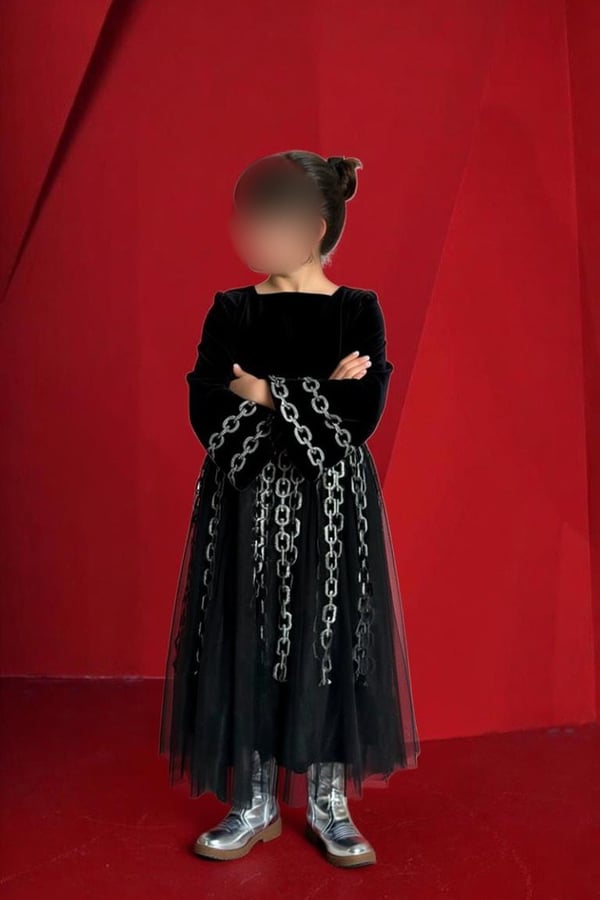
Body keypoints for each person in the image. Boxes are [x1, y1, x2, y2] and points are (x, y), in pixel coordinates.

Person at [158, 150, 421, 868]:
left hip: (331, 510)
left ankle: (330, 803)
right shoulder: (232, 309)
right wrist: (310, 392)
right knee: (246, 632)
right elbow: (206, 405)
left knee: (328, 636)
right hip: (243, 504)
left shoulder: (357, 309)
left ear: (312, 230)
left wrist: (264, 390)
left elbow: (359, 415)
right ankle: (256, 801)